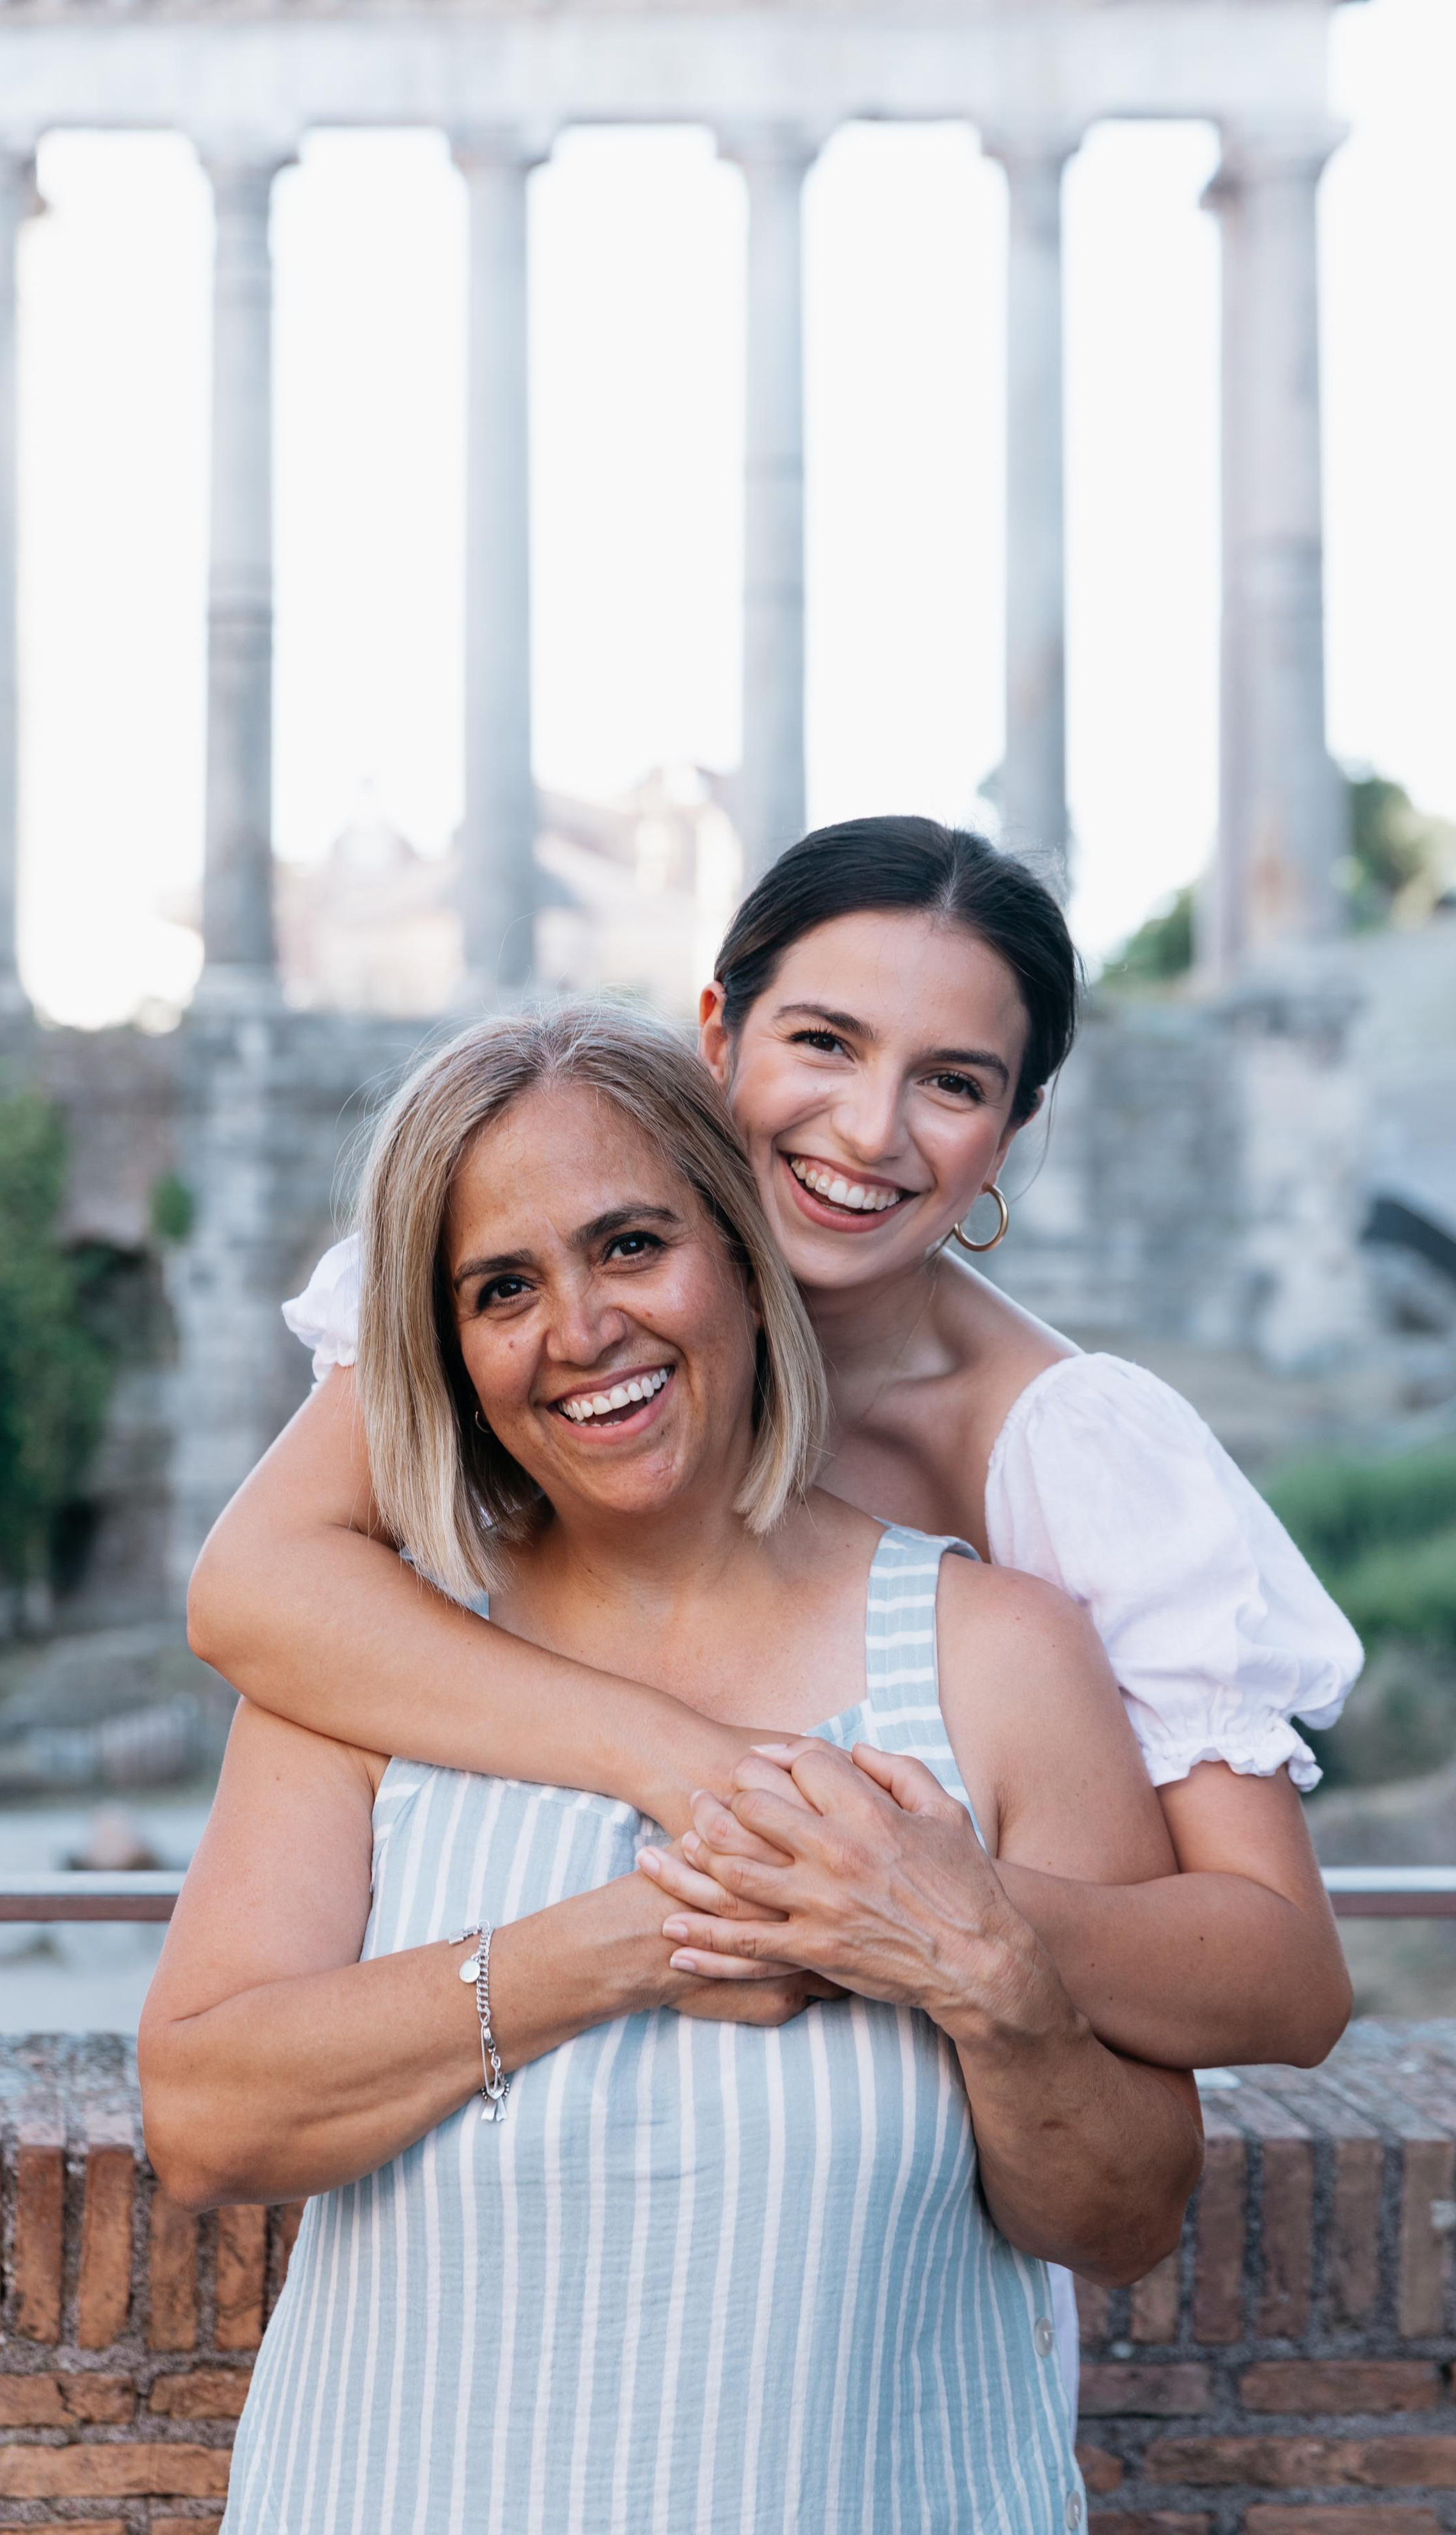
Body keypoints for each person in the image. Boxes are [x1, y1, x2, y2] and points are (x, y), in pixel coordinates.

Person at [189, 815, 1358, 2398]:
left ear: (1009, 1131)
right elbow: (256, 1585)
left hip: (880, 2301)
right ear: (717, 1033)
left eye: (952, 1082)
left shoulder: (1066, 1453)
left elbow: (1280, 1975)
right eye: (824, 1042)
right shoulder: (541, 1270)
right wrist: (698, 1773)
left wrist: (910, 1903)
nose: (868, 1130)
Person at [140, 1004, 1203, 2535]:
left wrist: (989, 1970)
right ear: (446, 1347)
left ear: (736, 1249)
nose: (579, 1329)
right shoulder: (369, 1658)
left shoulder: (1001, 1658)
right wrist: (624, 1946)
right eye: (501, 1289)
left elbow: (1123, 2216)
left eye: (629, 1244)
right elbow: (205, 2114)